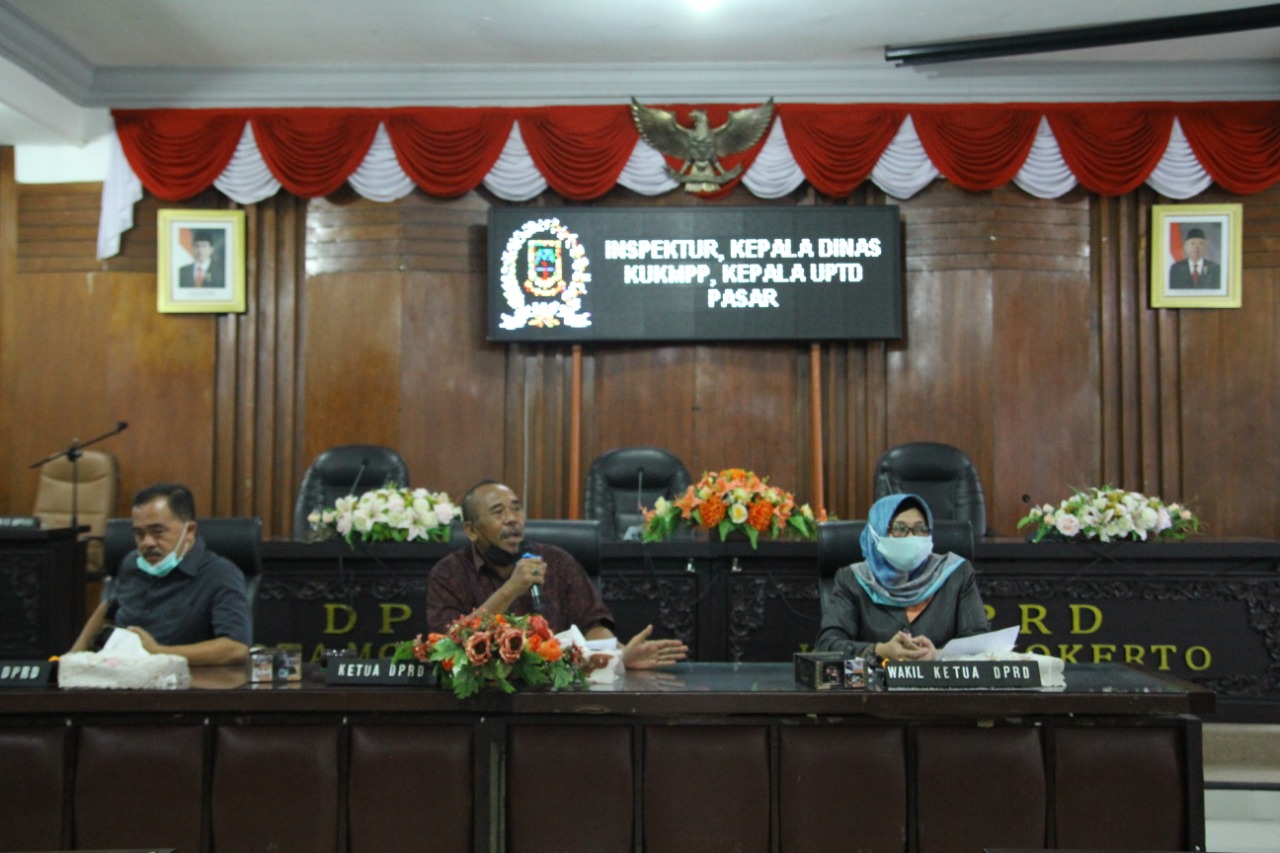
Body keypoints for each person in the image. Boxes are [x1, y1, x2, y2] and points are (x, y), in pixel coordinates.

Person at [427, 480, 688, 669]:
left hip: (558, 694)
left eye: (517, 509)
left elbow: (591, 625)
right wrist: (510, 590)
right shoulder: (449, 573)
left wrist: (621, 655)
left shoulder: (557, 562)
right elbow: (447, 643)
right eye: (498, 512)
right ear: (471, 531)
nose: (512, 519)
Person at [68, 483, 251, 665]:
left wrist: (159, 652)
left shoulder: (220, 574)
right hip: (120, 673)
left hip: (183, 681)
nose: (147, 542)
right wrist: (72, 657)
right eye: (139, 534)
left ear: (189, 530)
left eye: (157, 532)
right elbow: (109, 607)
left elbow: (235, 647)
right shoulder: (132, 563)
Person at [816, 493, 988, 662]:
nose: (911, 537)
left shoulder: (956, 573)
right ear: (877, 533)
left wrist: (937, 654)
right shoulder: (852, 579)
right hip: (876, 686)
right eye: (899, 529)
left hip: (939, 686)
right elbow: (828, 645)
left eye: (920, 529)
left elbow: (979, 644)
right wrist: (880, 651)